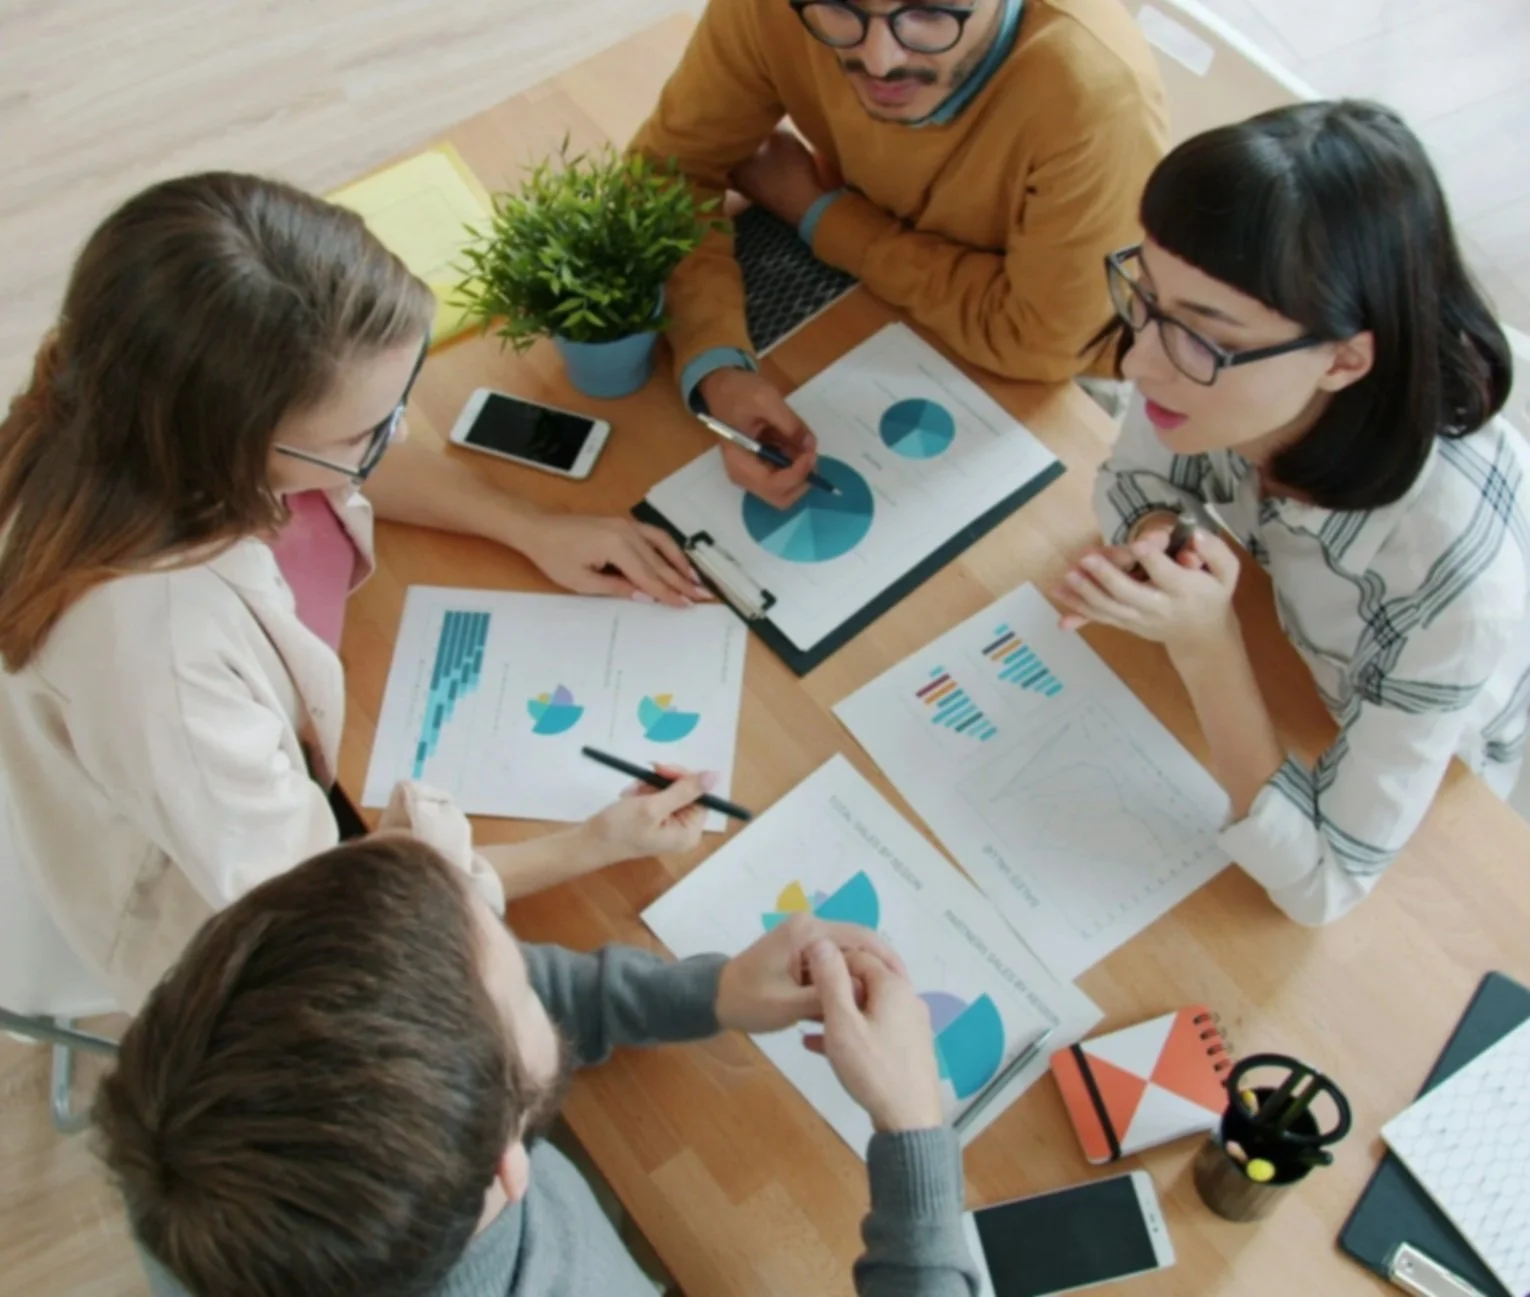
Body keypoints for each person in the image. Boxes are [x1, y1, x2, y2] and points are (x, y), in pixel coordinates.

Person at [0, 172, 716, 1012]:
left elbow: (336, 452)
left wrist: (530, 526)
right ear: (237, 445)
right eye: (366, 433)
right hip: (210, 926)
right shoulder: (161, 657)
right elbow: (327, 906)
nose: (401, 434)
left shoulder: (139, 395)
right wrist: (588, 844)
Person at [94, 833, 979, 1297]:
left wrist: (706, 995)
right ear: (508, 1162)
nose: (536, 966)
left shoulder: (187, 1145)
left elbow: (469, 1015)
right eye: (523, 981)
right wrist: (912, 1132)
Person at [1054, 100, 1526, 925]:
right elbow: (1131, 480)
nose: (1136, 361)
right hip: (1305, 650)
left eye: (1202, 336)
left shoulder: (1450, 585)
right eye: (1149, 300)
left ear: (1345, 358)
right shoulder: (1213, 373)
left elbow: (1326, 886)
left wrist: (1204, 641)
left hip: (1444, 747)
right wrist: (1161, 542)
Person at [631, 0, 1167, 506]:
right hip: (886, 297)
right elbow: (662, 174)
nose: (880, 61)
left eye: (929, 11)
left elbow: (1040, 343)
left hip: (1057, 384)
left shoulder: (1097, 94)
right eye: (841, 8)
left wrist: (815, 211)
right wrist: (716, 366)